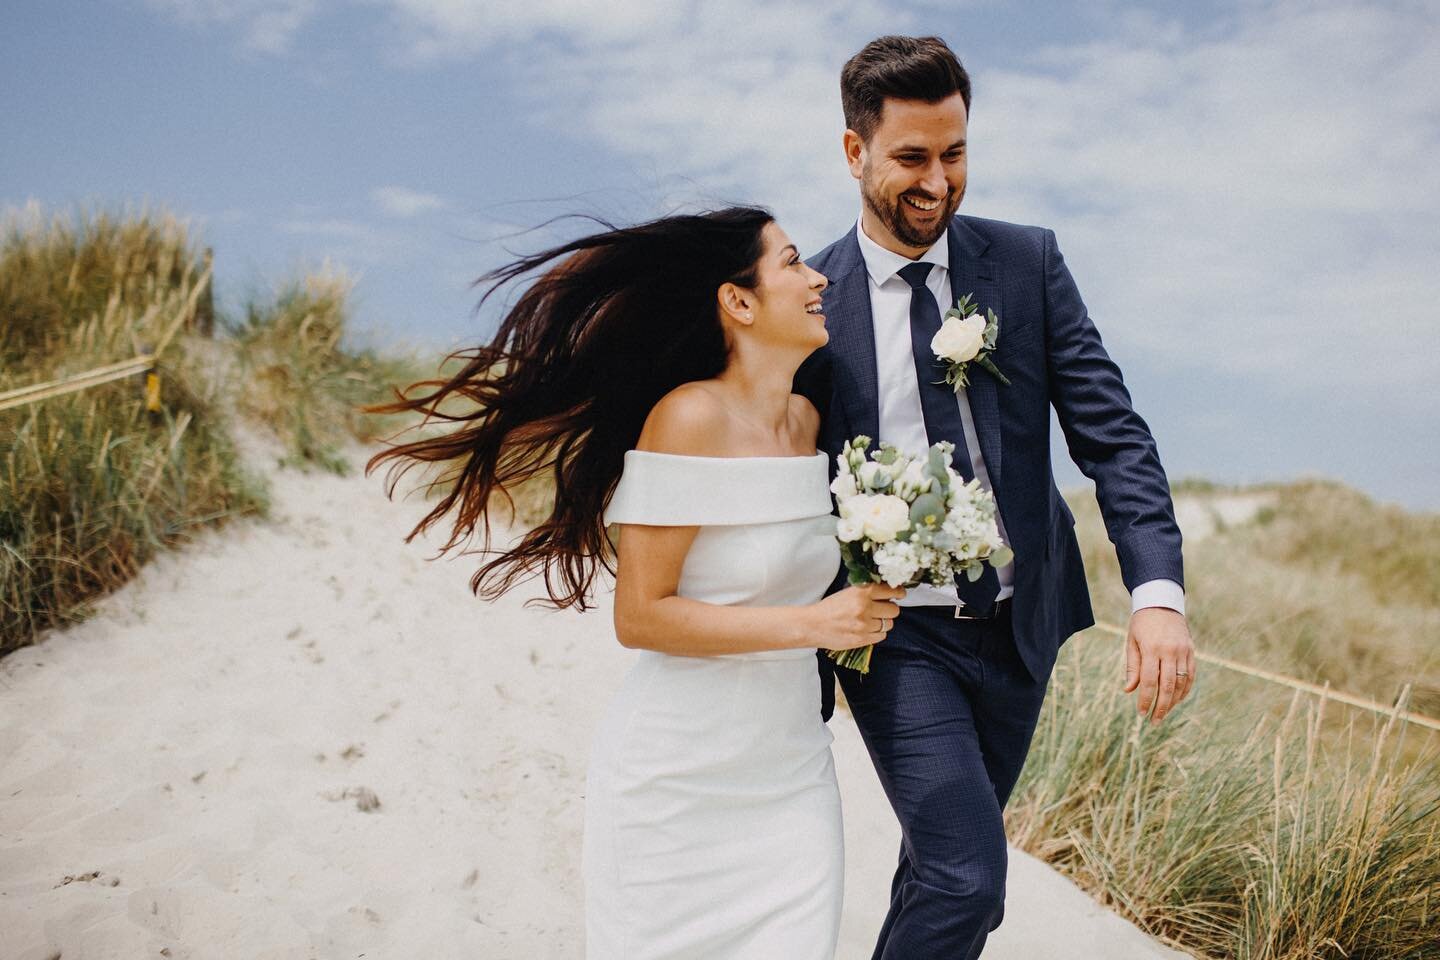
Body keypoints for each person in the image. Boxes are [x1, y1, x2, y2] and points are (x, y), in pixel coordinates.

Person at [364, 207, 904, 959]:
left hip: (791, 779)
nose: (819, 277)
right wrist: (814, 625)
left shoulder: (812, 424)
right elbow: (642, 617)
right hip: (677, 782)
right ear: (738, 302)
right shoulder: (687, 418)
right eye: (791, 262)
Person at [793, 35, 1196, 959]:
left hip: (1022, 630)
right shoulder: (812, 304)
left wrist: (1158, 598)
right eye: (911, 159)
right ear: (854, 154)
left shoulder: (1027, 263)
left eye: (956, 153)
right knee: (970, 880)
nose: (938, 181)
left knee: (939, 870)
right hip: (898, 640)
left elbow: (1113, 434)